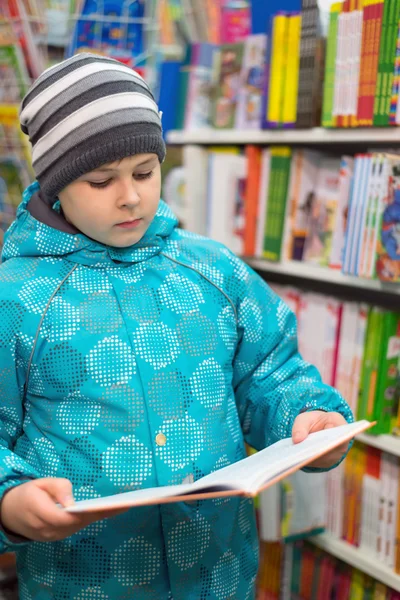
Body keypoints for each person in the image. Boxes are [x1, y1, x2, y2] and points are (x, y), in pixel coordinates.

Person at [0, 53, 352, 599]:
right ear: (54, 185)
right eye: (100, 181)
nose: (131, 196)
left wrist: (307, 418)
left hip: (219, 574)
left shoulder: (213, 270)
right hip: (85, 580)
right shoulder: (17, 299)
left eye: (145, 171)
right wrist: (11, 503)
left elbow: (270, 373)